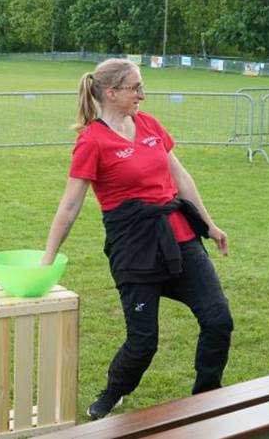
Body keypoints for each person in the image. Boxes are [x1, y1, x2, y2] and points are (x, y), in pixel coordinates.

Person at [41, 58, 234, 420]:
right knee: (143, 343)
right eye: (135, 88)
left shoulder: (149, 125)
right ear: (111, 93)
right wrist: (48, 258)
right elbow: (69, 206)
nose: (142, 95)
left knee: (218, 319)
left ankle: (207, 395)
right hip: (134, 249)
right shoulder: (92, 141)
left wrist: (209, 224)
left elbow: (181, 177)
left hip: (180, 238)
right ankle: (113, 392)